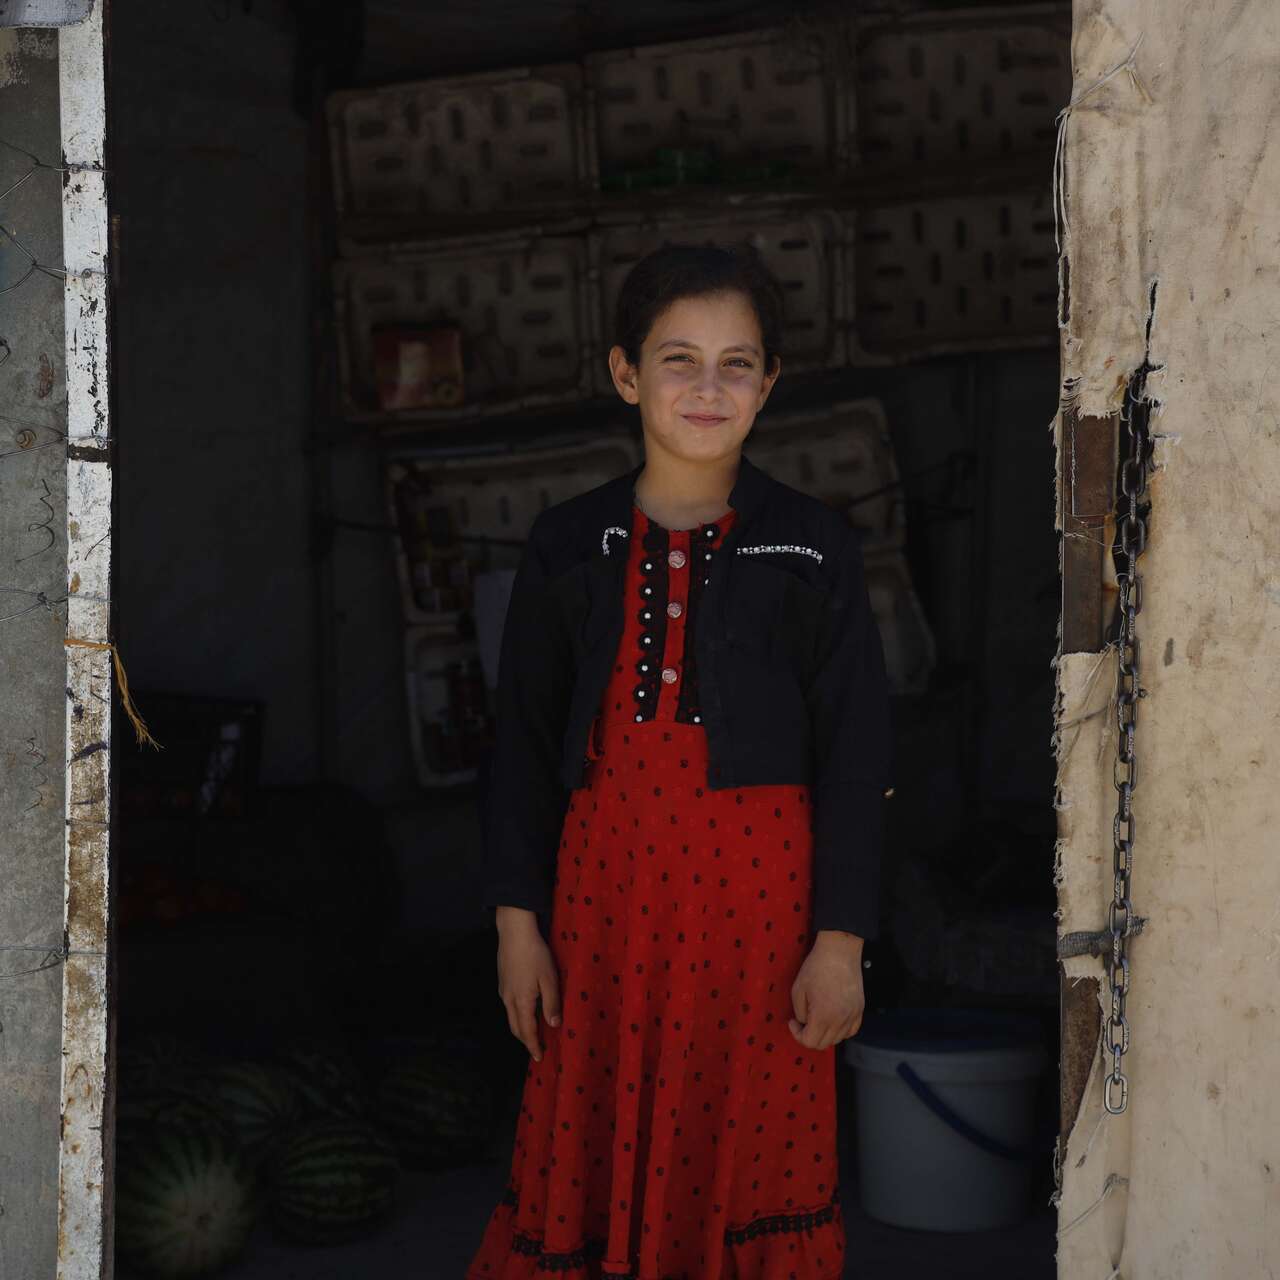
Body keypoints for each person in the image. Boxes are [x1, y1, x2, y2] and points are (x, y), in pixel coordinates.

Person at [467, 243, 892, 1280]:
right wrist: (517, 926)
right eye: (678, 360)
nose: (709, 387)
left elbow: (857, 753)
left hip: (761, 917)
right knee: (593, 1123)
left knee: (749, 1140)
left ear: (769, 382)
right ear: (625, 374)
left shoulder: (813, 545)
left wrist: (840, 944)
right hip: (604, 906)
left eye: (736, 363)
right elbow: (520, 744)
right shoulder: (569, 543)